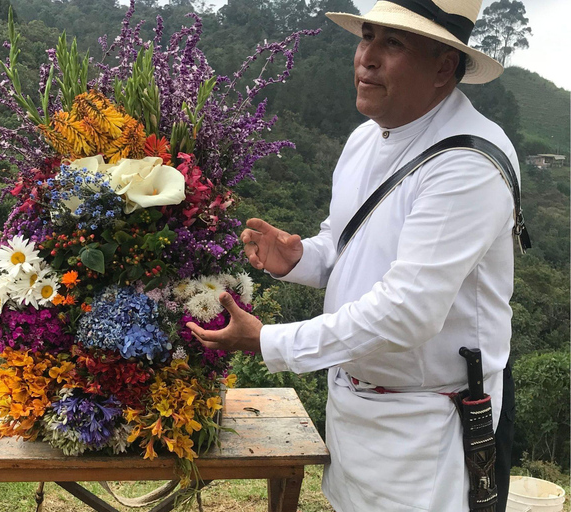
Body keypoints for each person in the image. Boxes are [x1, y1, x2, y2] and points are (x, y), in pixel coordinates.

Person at [186, 1, 520, 511]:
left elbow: (407, 311)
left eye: (393, 43)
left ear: (443, 66)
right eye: (367, 37)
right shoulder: (365, 138)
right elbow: (345, 246)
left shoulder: (467, 164)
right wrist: (300, 258)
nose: (367, 58)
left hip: (430, 431)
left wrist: (269, 342)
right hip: (354, 410)